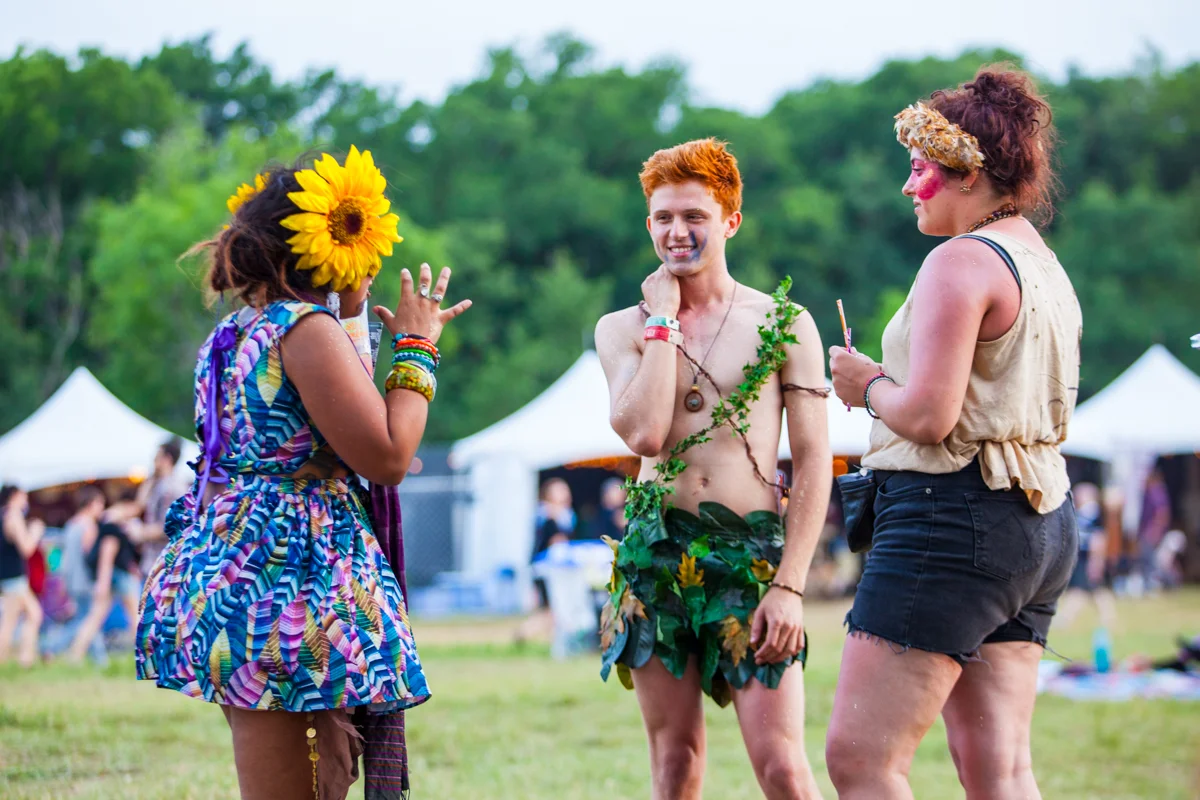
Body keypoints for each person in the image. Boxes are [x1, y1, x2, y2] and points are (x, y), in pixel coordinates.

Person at [135, 147, 470, 799]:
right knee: (314, 782)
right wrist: (420, 346)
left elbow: (327, 428)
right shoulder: (304, 327)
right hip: (297, 577)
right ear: (319, 242)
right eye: (353, 232)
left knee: (309, 776)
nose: (364, 249)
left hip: (240, 563)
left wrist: (352, 315)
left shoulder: (237, 331)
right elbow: (388, 456)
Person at [827, 66, 1082, 799]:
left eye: (919, 169)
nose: (910, 188)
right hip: (1039, 523)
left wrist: (865, 385)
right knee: (999, 769)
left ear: (968, 173)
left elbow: (931, 418)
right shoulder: (1042, 262)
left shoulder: (959, 261)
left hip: (951, 516)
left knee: (861, 760)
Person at [596, 138, 830, 799]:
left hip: (749, 559)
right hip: (655, 556)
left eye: (694, 216)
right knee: (675, 764)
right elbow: (644, 432)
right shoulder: (622, 328)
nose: (677, 232)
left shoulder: (784, 323)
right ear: (648, 225)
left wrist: (790, 586)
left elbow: (814, 462)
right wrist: (664, 324)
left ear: (730, 220)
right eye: (664, 217)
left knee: (782, 765)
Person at [42, 486, 109, 662]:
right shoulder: (89, 526)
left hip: (71, 580)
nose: (101, 507)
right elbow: (91, 556)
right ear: (90, 503)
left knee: (85, 619)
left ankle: (99, 659)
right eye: (99, 503)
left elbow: (65, 558)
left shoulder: (71, 524)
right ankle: (51, 647)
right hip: (85, 581)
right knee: (87, 620)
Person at [1058, 482, 1118, 629]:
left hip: (1089, 558)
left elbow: (1098, 539)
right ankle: (1108, 618)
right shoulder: (1082, 512)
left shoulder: (1093, 514)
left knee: (1079, 589)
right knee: (1096, 590)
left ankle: (1066, 618)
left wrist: (1096, 561)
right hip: (1084, 557)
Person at [0, 487, 46, 667]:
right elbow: (26, 548)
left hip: (10, 577)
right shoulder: (13, 515)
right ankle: (22, 660)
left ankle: (25, 659)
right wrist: (35, 532)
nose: (26, 500)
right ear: (14, 497)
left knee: (30, 616)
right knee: (12, 621)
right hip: (14, 578)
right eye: (23, 496)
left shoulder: (4, 514)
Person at [130, 437, 188, 576]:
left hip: (163, 565)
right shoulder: (159, 483)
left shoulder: (173, 487)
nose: (154, 462)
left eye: (157, 457)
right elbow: (140, 504)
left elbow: (169, 525)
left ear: (167, 459)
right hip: (153, 562)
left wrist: (140, 532)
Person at [590, 477, 628, 542]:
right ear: (606, 495)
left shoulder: (625, 514)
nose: (622, 493)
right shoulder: (597, 516)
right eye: (617, 490)